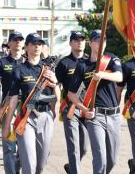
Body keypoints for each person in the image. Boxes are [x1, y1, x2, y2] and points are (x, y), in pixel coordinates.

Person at [67, 29, 123, 174]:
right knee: (100, 159)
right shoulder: (82, 65)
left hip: (114, 115)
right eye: (98, 40)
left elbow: (119, 77)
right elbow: (71, 94)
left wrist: (102, 75)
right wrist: (84, 109)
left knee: (112, 159)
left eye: (104, 40)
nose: (101, 43)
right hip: (94, 116)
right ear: (90, 43)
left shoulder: (111, 59)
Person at [2, 33, 59, 174]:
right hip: (27, 118)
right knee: (29, 163)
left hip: (45, 116)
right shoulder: (19, 69)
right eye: (34, 44)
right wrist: (7, 126)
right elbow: (14, 99)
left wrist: (55, 82)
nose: (37, 47)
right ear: (27, 47)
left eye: (40, 44)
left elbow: (56, 98)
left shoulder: (48, 69)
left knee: (40, 165)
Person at [55, 31, 90, 174]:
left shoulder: (90, 62)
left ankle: (71, 167)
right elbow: (58, 86)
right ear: (70, 43)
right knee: (74, 147)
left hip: (86, 108)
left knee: (84, 147)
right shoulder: (64, 63)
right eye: (76, 40)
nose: (79, 42)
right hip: (70, 108)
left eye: (82, 39)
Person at [0, 31, 25, 174]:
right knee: (9, 146)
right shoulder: (2, 62)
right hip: (8, 106)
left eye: (20, 40)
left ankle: (16, 169)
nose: (18, 42)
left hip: (26, 107)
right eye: (15, 40)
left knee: (23, 145)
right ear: (9, 43)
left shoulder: (28, 62)